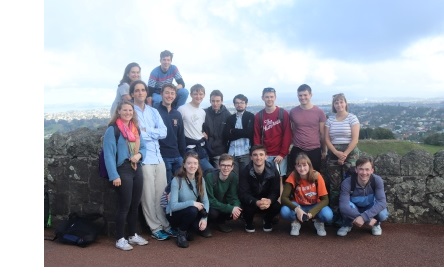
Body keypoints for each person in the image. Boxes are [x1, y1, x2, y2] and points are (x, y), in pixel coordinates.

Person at [130, 80, 177, 241]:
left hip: (158, 157)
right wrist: (150, 133)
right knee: (148, 195)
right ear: (132, 94)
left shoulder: (153, 111)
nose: (140, 93)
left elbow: (163, 132)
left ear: (146, 93)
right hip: (144, 158)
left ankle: (165, 224)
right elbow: (137, 135)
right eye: (137, 90)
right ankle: (155, 227)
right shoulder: (131, 112)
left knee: (161, 194)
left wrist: (147, 131)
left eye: (143, 90)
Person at [103, 100, 149, 251]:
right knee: (124, 205)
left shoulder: (135, 128)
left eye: (130, 110)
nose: (128, 113)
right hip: (122, 169)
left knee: (135, 204)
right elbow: (109, 155)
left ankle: (132, 234)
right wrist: (114, 176)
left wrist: (139, 155)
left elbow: (143, 147)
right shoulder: (113, 129)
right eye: (125, 110)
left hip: (136, 167)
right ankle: (120, 238)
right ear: (119, 111)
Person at [325, 93, 361, 225]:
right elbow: (327, 139)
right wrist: (335, 152)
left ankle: (349, 213)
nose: (339, 105)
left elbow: (355, 139)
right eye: (336, 103)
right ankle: (335, 214)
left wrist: (344, 154)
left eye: (341, 102)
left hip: (350, 153)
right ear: (333, 105)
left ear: (345, 103)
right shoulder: (330, 120)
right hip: (334, 153)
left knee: (349, 184)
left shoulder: (352, 118)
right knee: (334, 186)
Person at [280, 153, 333, 236]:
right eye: (299, 166)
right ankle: (295, 221)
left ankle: (318, 221)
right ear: (295, 167)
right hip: (298, 204)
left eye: (304, 165)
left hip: (314, 204)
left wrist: (312, 212)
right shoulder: (293, 176)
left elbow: (325, 200)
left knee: (328, 215)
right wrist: (297, 209)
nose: (302, 168)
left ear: (309, 165)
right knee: (284, 211)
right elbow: (283, 198)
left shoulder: (317, 176)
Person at [166, 151, 211, 248]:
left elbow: (205, 201)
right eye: (189, 163)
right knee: (192, 209)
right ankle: (181, 233)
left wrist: (204, 218)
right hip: (174, 214)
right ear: (184, 165)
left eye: (195, 163)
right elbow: (173, 206)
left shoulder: (200, 179)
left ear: (198, 165)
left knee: (197, 227)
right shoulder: (177, 180)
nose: (192, 166)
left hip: (190, 212)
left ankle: (189, 230)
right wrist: (192, 203)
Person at [253, 87, 292, 195]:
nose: (269, 99)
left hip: (279, 154)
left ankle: (280, 203)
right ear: (262, 98)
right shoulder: (259, 116)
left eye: (271, 97)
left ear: (275, 97)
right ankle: (267, 203)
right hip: (265, 154)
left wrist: (282, 153)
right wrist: (260, 155)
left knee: (280, 179)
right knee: (266, 179)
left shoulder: (283, 114)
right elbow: (256, 137)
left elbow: (287, 134)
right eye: (267, 97)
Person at [337, 156, 389, 236]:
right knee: (347, 208)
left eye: (367, 169)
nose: (364, 173)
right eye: (361, 169)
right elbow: (343, 206)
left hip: (370, 206)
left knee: (383, 214)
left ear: (372, 170)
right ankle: (347, 224)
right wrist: (367, 219)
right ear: (356, 170)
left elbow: (382, 203)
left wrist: (364, 217)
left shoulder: (377, 180)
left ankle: (376, 224)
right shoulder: (347, 183)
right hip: (355, 207)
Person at [238, 145, 281, 233]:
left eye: (261, 155)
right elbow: (243, 193)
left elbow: (275, 191)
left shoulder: (273, 171)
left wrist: (269, 201)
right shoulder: (244, 171)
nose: (258, 158)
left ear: (266, 157)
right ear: (251, 157)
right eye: (255, 155)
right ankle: (248, 222)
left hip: (266, 202)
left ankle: (267, 220)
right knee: (245, 205)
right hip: (252, 201)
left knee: (277, 206)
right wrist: (256, 202)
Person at [288, 84, 327, 175]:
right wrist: (290, 145)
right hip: (298, 148)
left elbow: (322, 133)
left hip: (314, 149)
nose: (303, 97)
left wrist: (324, 150)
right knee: (297, 175)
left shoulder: (319, 112)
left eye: (305, 95)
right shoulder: (293, 112)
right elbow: (292, 130)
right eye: (300, 95)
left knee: (314, 175)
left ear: (310, 95)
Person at [155, 83, 186, 192]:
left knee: (181, 187)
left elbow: (181, 136)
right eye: (167, 92)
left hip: (177, 156)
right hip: (163, 156)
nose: (170, 96)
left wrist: (183, 156)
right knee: (166, 189)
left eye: (172, 93)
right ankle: (167, 209)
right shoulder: (155, 111)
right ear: (161, 94)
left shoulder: (177, 114)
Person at [178, 83, 214, 173]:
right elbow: (178, 129)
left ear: (204, 95)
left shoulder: (202, 112)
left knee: (206, 175)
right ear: (191, 95)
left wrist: (203, 133)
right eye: (195, 94)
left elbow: (199, 126)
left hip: (201, 147)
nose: (198, 96)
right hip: (189, 148)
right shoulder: (182, 109)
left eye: (201, 94)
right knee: (207, 172)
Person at [205, 154, 242, 233]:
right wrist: (230, 208)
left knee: (238, 208)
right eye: (223, 165)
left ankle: (220, 222)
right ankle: (205, 225)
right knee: (213, 213)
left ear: (232, 167)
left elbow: (233, 196)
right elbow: (210, 200)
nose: (226, 168)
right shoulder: (210, 177)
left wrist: (236, 207)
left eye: (229, 165)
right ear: (219, 166)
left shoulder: (233, 177)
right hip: (210, 205)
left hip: (222, 203)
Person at [223, 94, 255, 175]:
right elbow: (227, 135)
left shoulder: (250, 116)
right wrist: (243, 132)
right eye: (237, 103)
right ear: (234, 105)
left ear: (246, 104)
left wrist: (233, 130)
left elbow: (249, 133)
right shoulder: (230, 118)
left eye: (241, 102)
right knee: (233, 178)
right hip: (232, 152)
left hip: (245, 152)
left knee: (246, 177)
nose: (239, 105)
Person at [203, 90, 231, 168]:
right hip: (205, 150)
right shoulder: (204, 113)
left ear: (222, 101)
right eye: (213, 101)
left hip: (220, 151)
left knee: (218, 174)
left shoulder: (227, 115)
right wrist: (201, 131)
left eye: (218, 101)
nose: (215, 103)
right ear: (210, 101)